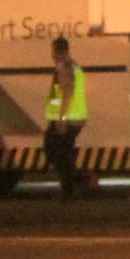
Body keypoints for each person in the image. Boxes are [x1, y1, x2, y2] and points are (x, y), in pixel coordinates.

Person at [43, 36, 90, 197]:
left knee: (56, 152)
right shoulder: (74, 66)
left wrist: (61, 119)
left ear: (59, 51)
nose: (52, 55)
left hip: (68, 120)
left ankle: (71, 187)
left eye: (53, 51)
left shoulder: (65, 67)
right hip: (74, 119)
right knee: (63, 153)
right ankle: (74, 183)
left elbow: (67, 92)